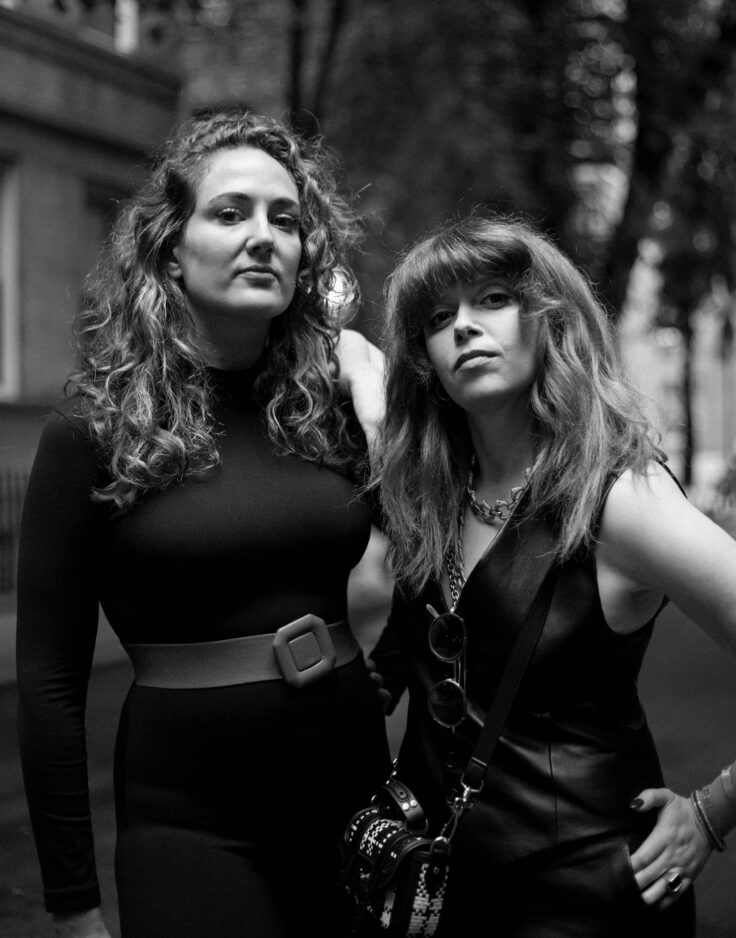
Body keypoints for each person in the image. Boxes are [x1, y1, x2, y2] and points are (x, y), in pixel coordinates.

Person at [16, 108, 391, 938]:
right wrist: (73, 904)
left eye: (285, 219)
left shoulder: (337, 410)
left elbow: (447, 573)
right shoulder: (92, 431)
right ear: (170, 250)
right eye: (230, 213)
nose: (264, 236)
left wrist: (377, 402)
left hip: (355, 799)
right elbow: (48, 687)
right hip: (191, 826)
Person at [368, 211, 736, 937]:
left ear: (550, 319)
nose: (464, 328)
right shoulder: (432, 495)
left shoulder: (622, 499)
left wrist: (716, 808)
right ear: (424, 359)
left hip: (585, 899)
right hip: (440, 894)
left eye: (493, 300)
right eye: (439, 317)